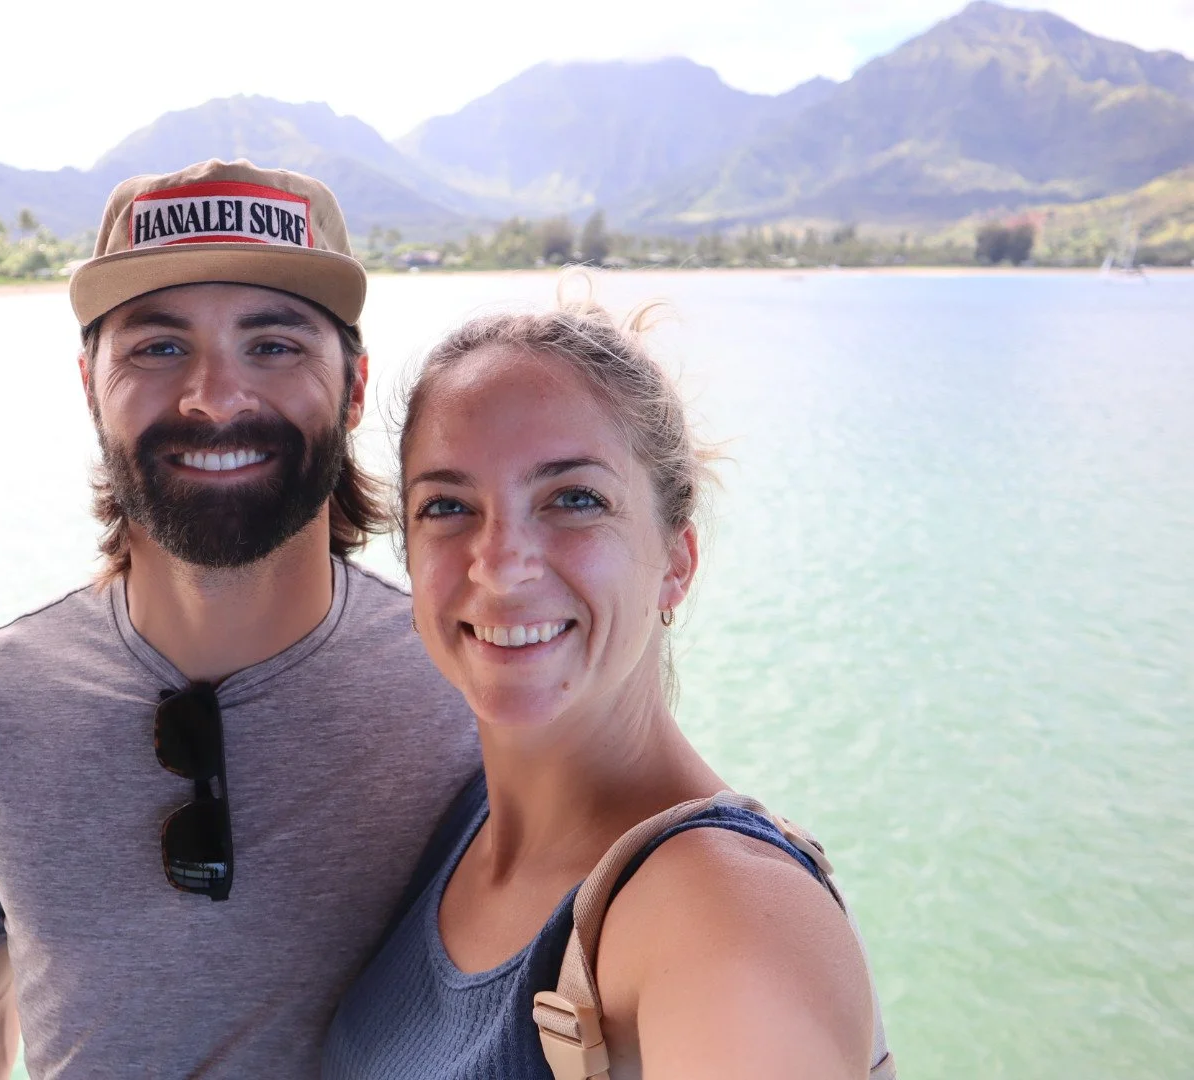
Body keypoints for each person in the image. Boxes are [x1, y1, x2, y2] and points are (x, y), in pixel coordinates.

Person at [0, 159, 479, 1078]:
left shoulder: (471, 690)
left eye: (274, 345)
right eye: (158, 349)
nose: (214, 396)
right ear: (90, 385)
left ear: (356, 388)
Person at [323, 302, 893, 1078]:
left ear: (676, 560)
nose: (501, 562)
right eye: (448, 507)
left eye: (574, 499)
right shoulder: (455, 830)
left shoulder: (724, 914)